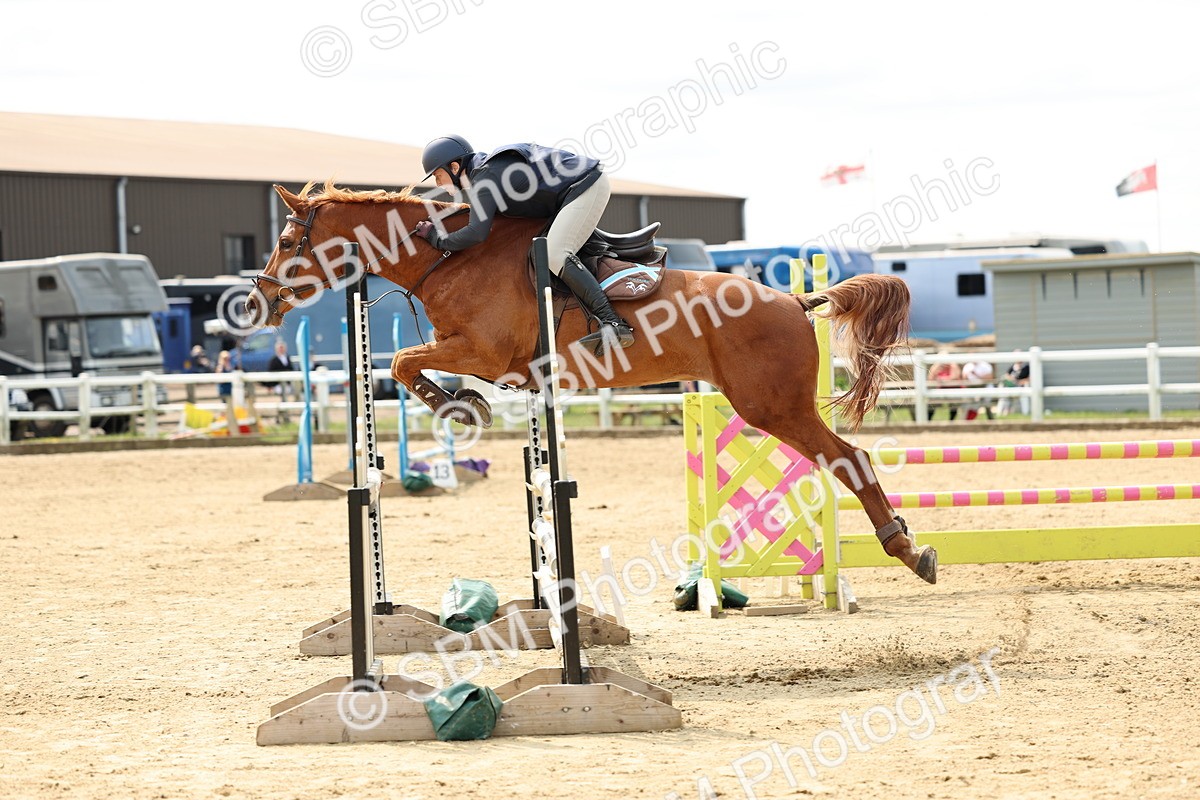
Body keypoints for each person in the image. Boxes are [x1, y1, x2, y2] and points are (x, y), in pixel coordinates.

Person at [415, 135, 633, 356]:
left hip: (586, 185)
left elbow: (476, 233)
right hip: (571, 192)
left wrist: (437, 239)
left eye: (438, 175)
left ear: (454, 166)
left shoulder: (484, 178)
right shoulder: (486, 175)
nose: (438, 183)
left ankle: (613, 323)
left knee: (554, 254)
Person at [266, 339, 296, 423]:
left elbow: (291, 369)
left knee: (285, 400)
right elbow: (270, 372)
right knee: (283, 400)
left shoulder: (287, 358)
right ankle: (283, 417)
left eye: (282, 348)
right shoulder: (274, 360)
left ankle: (281, 417)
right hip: (278, 384)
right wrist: (270, 386)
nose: (281, 349)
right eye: (280, 348)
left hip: (287, 383)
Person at [927, 356, 962, 421]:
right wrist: (937, 366)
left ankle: (951, 420)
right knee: (932, 401)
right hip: (940, 390)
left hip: (953, 390)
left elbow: (955, 377)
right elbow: (930, 378)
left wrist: (941, 379)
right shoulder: (937, 367)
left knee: (954, 401)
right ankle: (928, 420)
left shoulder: (953, 366)